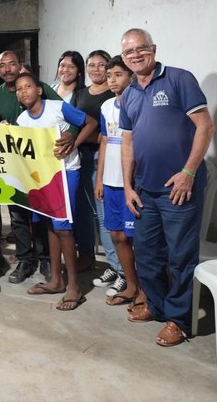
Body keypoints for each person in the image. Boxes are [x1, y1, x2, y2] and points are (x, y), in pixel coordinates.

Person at [119, 28, 214, 346]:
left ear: (154, 49)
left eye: (141, 48)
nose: (135, 55)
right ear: (123, 57)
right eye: (129, 52)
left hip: (179, 188)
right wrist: (127, 186)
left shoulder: (179, 79)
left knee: (181, 257)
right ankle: (157, 306)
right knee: (147, 255)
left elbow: (205, 126)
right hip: (145, 190)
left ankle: (179, 320)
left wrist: (188, 172)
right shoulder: (129, 94)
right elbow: (128, 143)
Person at [0, 50, 73, 284]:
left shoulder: (39, 87)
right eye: (2, 65)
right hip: (14, 165)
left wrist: (71, 136)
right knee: (17, 215)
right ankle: (25, 259)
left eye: (11, 64)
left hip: (43, 165)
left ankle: (46, 259)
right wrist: (0, 129)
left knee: (43, 213)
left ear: (20, 65)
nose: (7, 69)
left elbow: (68, 114)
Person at [15, 72, 97, 310]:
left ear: (39, 89)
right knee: (51, 225)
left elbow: (91, 123)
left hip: (66, 172)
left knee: (63, 227)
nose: (23, 91)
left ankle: (74, 287)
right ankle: (56, 281)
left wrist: (73, 143)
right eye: (19, 89)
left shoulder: (57, 108)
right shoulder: (22, 120)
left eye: (28, 86)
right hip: (43, 177)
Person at [95, 56, 140, 306]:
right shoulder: (106, 107)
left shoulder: (138, 104)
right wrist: (99, 178)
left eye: (118, 75)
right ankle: (131, 285)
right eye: (109, 75)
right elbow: (104, 141)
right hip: (110, 181)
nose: (112, 80)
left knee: (136, 238)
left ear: (131, 76)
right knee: (117, 236)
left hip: (131, 184)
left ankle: (145, 289)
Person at [71, 51, 116, 275]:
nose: (96, 69)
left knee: (102, 212)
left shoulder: (114, 92)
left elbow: (111, 129)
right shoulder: (80, 94)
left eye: (101, 65)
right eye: (91, 65)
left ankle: (114, 265)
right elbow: (71, 123)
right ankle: (87, 256)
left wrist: (101, 137)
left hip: (103, 157)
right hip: (81, 156)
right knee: (83, 211)